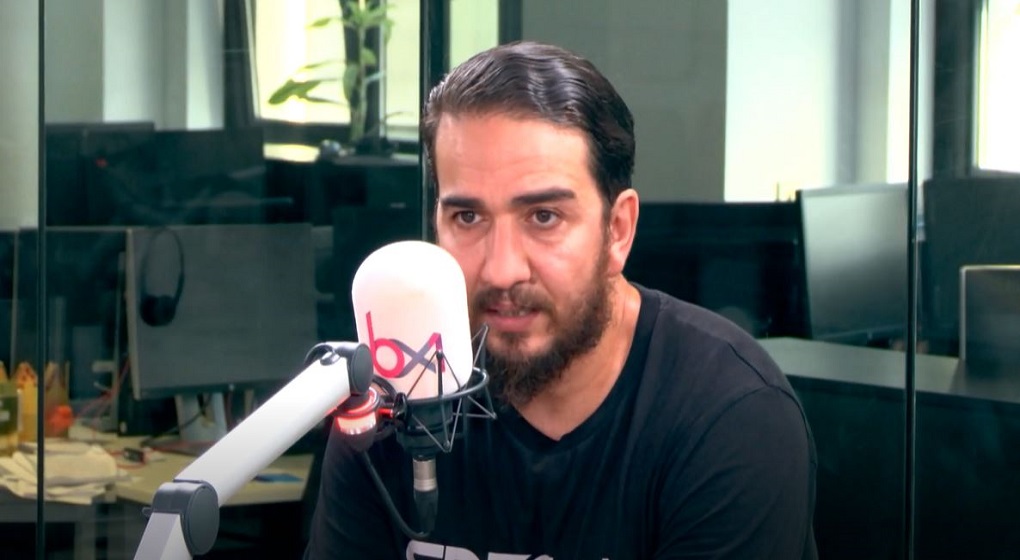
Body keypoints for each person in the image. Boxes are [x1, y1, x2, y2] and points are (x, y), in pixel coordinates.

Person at [305, 40, 817, 559]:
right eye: (468, 217)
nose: (501, 269)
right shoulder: (393, 403)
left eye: (544, 217)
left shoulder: (729, 414)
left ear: (618, 230)